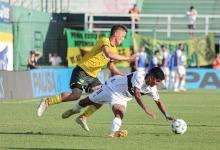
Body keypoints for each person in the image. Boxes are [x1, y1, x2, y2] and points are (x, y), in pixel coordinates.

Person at [37, 24, 137, 131]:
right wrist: (128, 58)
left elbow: (111, 66)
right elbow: (108, 54)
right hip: (82, 70)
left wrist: (123, 76)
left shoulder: (115, 49)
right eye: (123, 36)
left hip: (93, 76)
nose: (123, 39)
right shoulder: (104, 41)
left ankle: (83, 117)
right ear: (116, 33)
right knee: (76, 95)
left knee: (102, 97)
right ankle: (47, 101)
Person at [63, 67, 175, 137]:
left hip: (122, 98)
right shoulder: (140, 76)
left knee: (120, 113)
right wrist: (146, 110)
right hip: (111, 89)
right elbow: (137, 94)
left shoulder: (152, 88)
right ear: (151, 77)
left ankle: (112, 134)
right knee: (86, 101)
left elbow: (158, 101)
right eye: (157, 81)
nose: (157, 84)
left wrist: (167, 115)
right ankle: (74, 110)